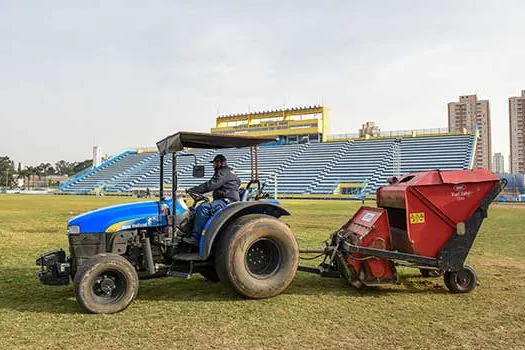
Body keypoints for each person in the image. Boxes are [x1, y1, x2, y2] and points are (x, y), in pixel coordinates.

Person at [183, 154, 241, 245]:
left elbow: (211, 185)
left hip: (226, 201)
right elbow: (238, 182)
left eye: (214, 163)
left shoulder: (222, 172)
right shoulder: (230, 171)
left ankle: (195, 237)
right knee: (195, 209)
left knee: (203, 208)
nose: (213, 165)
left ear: (220, 163)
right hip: (227, 199)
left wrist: (194, 190)